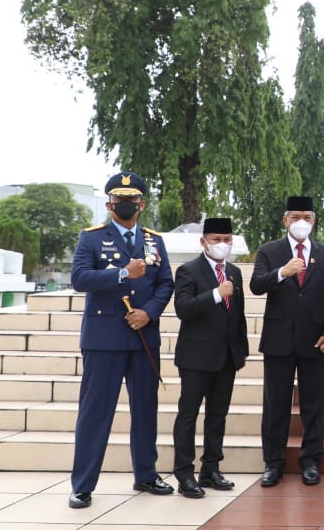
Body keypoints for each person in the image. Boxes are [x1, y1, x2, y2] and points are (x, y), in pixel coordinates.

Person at [68, 172, 174, 509]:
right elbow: (80, 279)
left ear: (141, 203)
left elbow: (166, 283)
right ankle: (82, 485)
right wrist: (123, 273)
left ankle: (146, 474)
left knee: (145, 409)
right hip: (104, 337)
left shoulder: (154, 240)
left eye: (131, 199)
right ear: (109, 203)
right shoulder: (92, 238)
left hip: (143, 335)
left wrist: (149, 313)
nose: (124, 204)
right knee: (95, 412)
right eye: (118, 199)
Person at [250, 196, 324, 487]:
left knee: (313, 403)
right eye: (296, 216)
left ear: (314, 221)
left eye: (308, 217)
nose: (302, 222)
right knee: (276, 403)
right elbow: (256, 285)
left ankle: (310, 460)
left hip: (314, 340)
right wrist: (282, 272)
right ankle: (273, 462)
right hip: (278, 339)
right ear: (285, 219)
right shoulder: (269, 251)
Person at [170, 217, 249, 498]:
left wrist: (240, 351)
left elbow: (237, 315)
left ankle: (211, 468)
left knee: (218, 415)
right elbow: (184, 308)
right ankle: (184, 473)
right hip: (196, 356)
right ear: (203, 242)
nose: (222, 245)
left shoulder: (235, 273)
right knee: (188, 415)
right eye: (216, 239)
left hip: (226, 357)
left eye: (227, 239)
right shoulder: (188, 271)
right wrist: (216, 293)